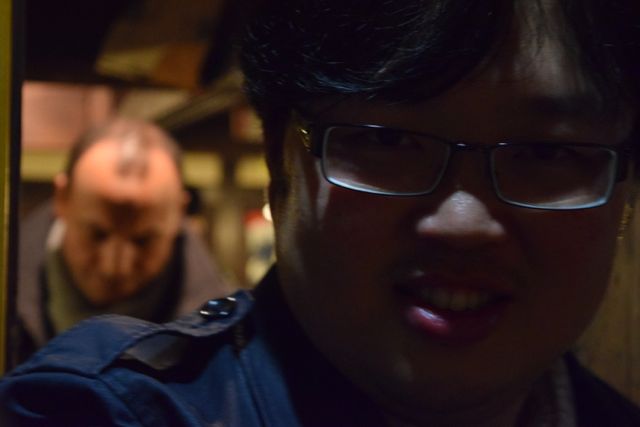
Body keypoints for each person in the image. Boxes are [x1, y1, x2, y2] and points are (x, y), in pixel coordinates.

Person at [2, 0, 640, 425]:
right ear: (277, 162)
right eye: (388, 140)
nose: (464, 223)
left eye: (547, 152)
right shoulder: (105, 412)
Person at [13, 117, 233, 363]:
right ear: (62, 199)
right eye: (97, 235)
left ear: (180, 214)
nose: (115, 267)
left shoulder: (223, 336)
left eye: (143, 241)